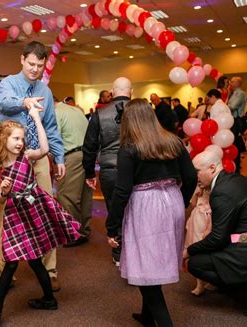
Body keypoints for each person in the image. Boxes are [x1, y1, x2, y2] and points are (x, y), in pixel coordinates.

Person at [0, 108, 80, 327]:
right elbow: (0, 198)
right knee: (11, 262)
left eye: (22, 139)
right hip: (14, 215)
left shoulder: (27, 157)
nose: (20, 142)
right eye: (16, 138)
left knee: (36, 259)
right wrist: (6, 191)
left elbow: (45, 148)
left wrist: (37, 119)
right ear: (4, 139)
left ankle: (49, 299)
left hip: (32, 211)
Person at [107, 99, 197, 327]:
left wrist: (112, 226)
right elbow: (191, 177)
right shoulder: (173, 141)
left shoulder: (129, 148)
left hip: (146, 206)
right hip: (172, 200)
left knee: (145, 266)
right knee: (152, 260)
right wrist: (182, 201)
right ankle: (148, 316)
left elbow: (122, 190)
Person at [0, 41, 65, 289]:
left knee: (46, 211)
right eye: (31, 64)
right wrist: (25, 102)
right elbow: (4, 104)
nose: (35, 69)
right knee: (8, 215)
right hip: (12, 162)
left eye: (40, 65)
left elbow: (51, 127)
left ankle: (50, 270)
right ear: (22, 60)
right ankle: (3, 270)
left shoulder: (45, 91)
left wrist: (58, 157)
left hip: (38, 159)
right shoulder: (8, 84)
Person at [187, 151, 247, 319]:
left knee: (196, 264)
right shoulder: (230, 180)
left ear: (212, 168)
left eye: (197, 171)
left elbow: (218, 238)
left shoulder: (222, 191)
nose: (194, 175)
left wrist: (189, 250)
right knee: (212, 255)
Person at [83, 77, 132, 265]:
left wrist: (89, 172)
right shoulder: (142, 112)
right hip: (137, 169)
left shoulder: (99, 114)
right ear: (131, 92)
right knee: (138, 209)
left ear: (112, 93)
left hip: (110, 169)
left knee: (114, 209)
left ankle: (119, 254)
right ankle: (137, 251)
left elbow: (89, 147)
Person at [55, 98, 92, 246]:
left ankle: (74, 233)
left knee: (66, 195)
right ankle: (84, 230)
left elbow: (54, 139)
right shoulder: (77, 111)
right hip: (86, 154)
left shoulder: (56, 113)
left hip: (71, 156)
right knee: (84, 195)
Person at [183, 185, 212, 296]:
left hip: (207, 218)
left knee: (207, 248)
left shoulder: (212, 186)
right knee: (196, 245)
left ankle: (209, 281)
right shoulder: (201, 186)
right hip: (199, 218)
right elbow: (194, 203)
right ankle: (200, 284)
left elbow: (194, 203)